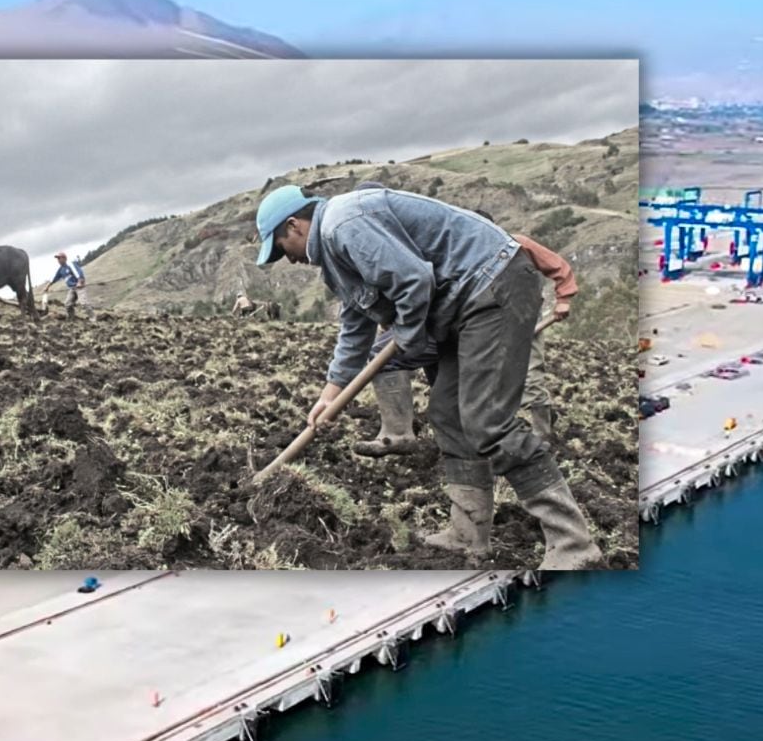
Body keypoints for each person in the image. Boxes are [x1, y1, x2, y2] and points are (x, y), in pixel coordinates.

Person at [255, 183, 602, 570]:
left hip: (492, 285)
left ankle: (574, 547)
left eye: (280, 249)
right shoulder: (336, 255)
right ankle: (468, 534)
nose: (287, 260)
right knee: (447, 413)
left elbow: (413, 281)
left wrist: (404, 335)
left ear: (294, 225)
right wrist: (330, 393)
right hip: (461, 305)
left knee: (488, 421)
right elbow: (356, 325)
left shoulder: (344, 225)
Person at [358, 232, 571, 455]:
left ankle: (540, 434)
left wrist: (564, 298)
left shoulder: (512, 243)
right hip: (463, 318)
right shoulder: (450, 252)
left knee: (530, 373)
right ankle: (440, 431)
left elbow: (557, 265)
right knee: (444, 367)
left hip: (518, 310)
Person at [41, 252, 87, 318]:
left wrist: (79, 282)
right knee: (67, 304)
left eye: (59, 258)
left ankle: (93, 319)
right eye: (57, 259)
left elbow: (79, 273)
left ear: (64, 258)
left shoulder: (70, 265)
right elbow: (54, 278)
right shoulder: (60, 270)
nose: (58, 260)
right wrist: (47, 286)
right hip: (72, 289)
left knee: (84, 304)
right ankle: (72, 318)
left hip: (79, 287)